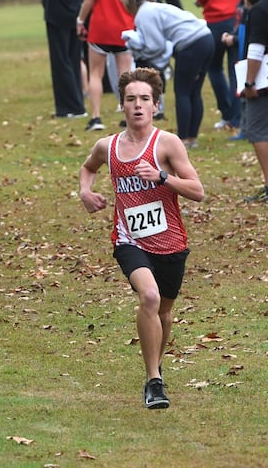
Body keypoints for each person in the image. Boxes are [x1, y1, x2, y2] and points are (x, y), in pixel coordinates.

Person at [79, 67, 204, 409]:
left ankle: (155, 364)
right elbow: (88, 168)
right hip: (129, 240)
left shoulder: (167, 143)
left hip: (171, 242)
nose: (137, 105)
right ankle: (154, 381)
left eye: (144, 99)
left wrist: (162, 176)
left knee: (164, 312)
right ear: (121, 105)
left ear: (155, 105)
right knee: (148, 297)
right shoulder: (108, 146)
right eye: (131, 99)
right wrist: (86, 192)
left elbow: (197, 191)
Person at [119, 0, 214, 148]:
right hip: (206, 38)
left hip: (190, 45)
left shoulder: (143, 14)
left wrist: (138, 48)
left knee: (183, 91)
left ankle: (183, 139)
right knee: (194, 90)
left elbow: (156, 46)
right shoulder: (154, 8)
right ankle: (192, 137)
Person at [193, 0, 260, 132]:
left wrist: (205, 1)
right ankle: (237, 116)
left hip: (215, 20)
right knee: (236, 69)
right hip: (240, 17)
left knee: (214, 68)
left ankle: (227, 112)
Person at [77, 0, 142, 132]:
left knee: (96, 73)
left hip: (101, 29)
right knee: (126, 75)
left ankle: (96, 117)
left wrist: (80, 20)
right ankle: (128, 116)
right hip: (125, 29)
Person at [24, 0, 86, 118]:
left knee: (61, 62)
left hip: (57, 15)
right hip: (75, 13)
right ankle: (77, 103)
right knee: (73, 60)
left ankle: (70, 107)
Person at [241, 0, 268, 202]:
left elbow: (257, 49)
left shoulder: (259, 10)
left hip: (265, 81)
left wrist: (249, 84)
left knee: (259, 130)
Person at [222, 0, 258, 142]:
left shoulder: (249, 3)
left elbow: (246, 33)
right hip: (242, 54)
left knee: (245, 93)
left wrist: (233, 40)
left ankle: (246, 129)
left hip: (244, 56)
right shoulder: (242, 2)